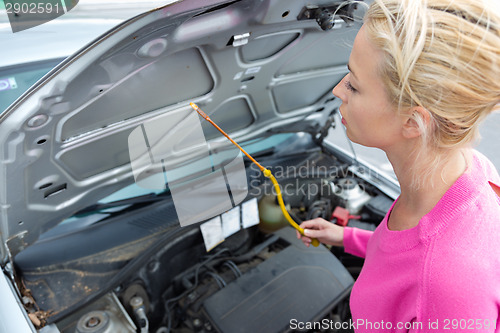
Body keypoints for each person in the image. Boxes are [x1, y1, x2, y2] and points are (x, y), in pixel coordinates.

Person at [297, 0, 500, 331]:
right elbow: (408, 253)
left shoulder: (450, 288)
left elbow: (427, 270)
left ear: (413, 122)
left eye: (355, 84)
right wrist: (349, 238)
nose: (338, 90)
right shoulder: (466, 171)